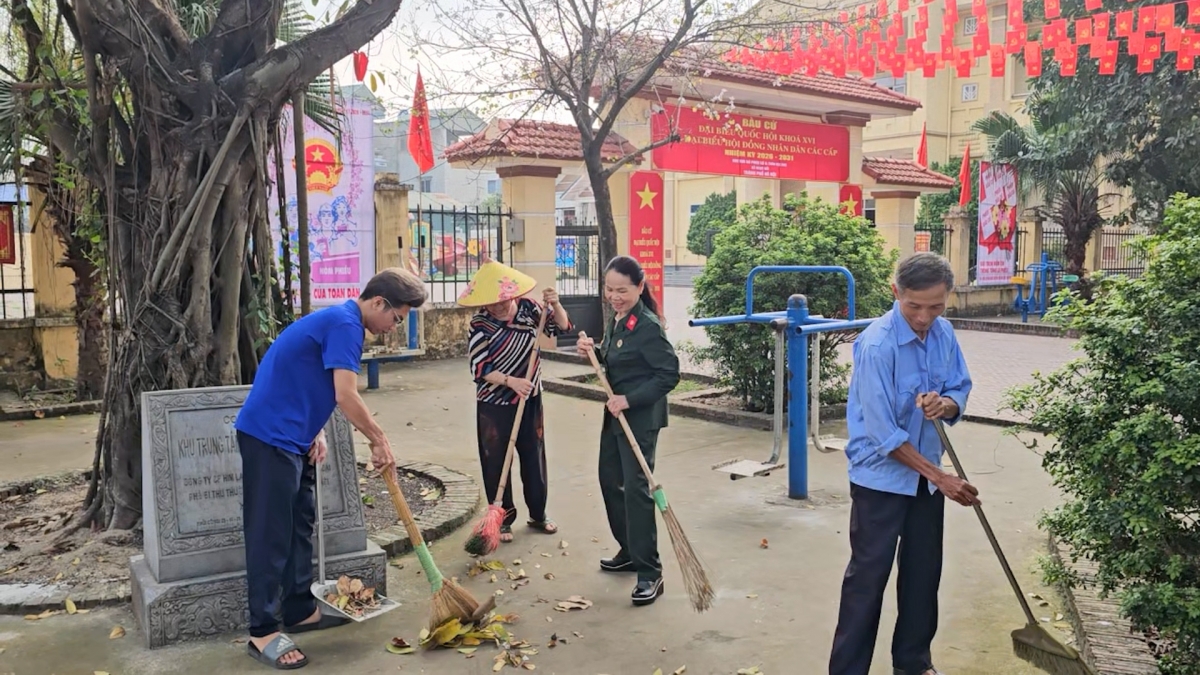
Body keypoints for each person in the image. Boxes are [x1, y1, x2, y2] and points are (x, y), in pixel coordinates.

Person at [234, 268, 427, 670]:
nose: (394, 327)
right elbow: (345, 394)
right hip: (268, 437)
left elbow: (307, 378)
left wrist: (315, 429)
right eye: (396, 317)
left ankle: (300, 608)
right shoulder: (346, 324)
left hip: (295, 438)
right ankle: (262, 630)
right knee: (270, 534)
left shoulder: (342, 322)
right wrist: (379, 439)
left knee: (299, 525)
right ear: (379, 303)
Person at [828, 253, 978, 675]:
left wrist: (946, 404)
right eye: (914, 306)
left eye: (935, 307)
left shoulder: (944, 333)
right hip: (881, 480)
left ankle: (913, 663)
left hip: (927, 482)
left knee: (923, 575)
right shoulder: (877, 345)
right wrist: (942, 478)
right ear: (896, 293)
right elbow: (883, 435)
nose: (924, 317)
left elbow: (959, 387)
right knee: (867, 579)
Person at [575, 255, 680, 606]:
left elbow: (669, 374)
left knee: (636, 490)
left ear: (639, 287)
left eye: (622, 290)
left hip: (640, 418)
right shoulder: (618, 319)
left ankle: (649, 571)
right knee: (609, 480)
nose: (614, 297)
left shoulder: (647, 326)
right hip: (616, 415)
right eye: (609, 289)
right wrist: (593, 352)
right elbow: (615, 359)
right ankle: (630, 551)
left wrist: (629, 399)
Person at [459, 260, 572, 543]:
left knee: (534, 455)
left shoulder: (529, 308)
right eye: (491, 302)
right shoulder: (479, 324)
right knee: (496, 460)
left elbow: (561, 327)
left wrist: (556, 304)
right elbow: (480, 368)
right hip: (494, 403)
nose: (498, 306)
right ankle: (503, 519)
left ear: (513, 293)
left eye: (503, 300)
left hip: (530, 397)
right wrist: (511, 381)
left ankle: (538, 514)